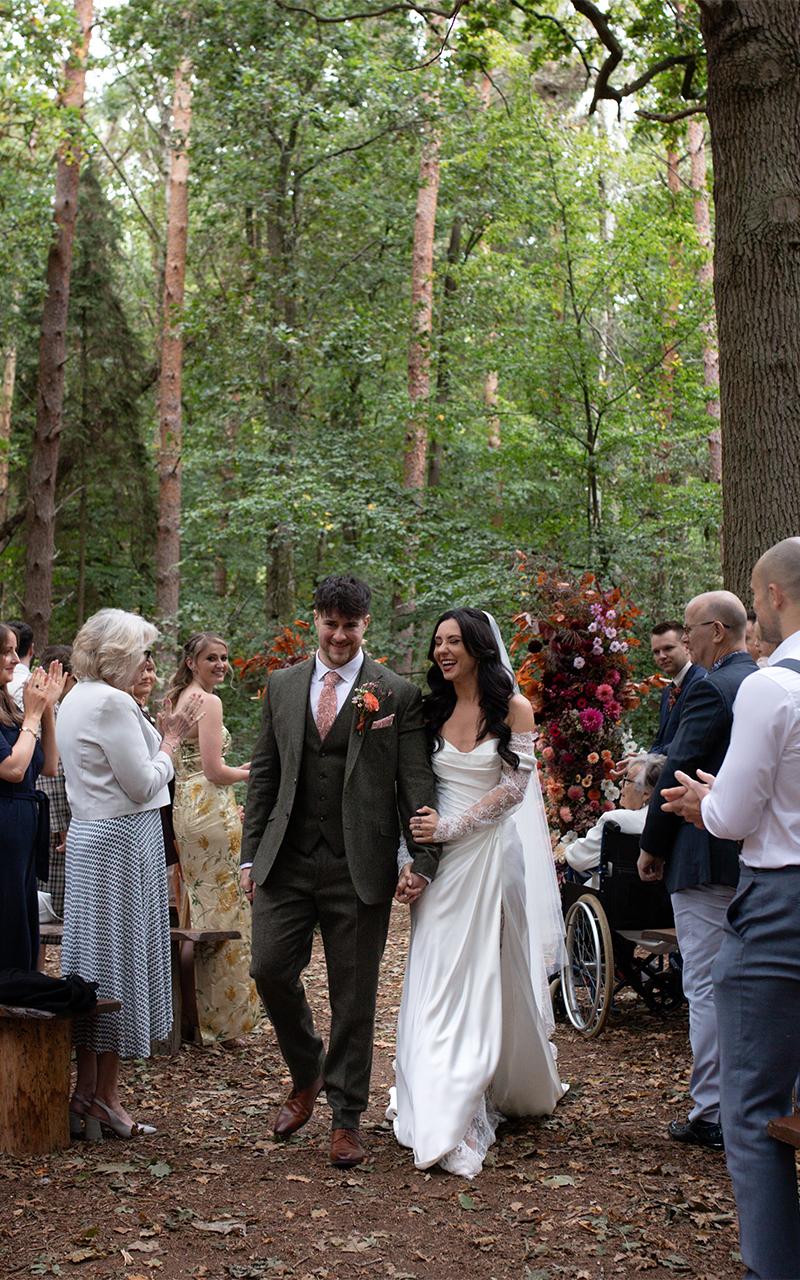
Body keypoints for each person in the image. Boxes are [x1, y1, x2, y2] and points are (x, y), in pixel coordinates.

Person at [240, 574, 439, 1169]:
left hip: (361, 865)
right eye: (330, 623)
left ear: (365, 625)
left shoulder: (394, 693)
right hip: (288, 861)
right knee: (269, 968)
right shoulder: (281, 685)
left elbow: (414, 784)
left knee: (355, 996)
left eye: (351, 625)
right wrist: (252, 854)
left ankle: (347, 1119)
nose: (340, 635)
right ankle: (306, 1071)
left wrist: (420, 856)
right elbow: (265, 776)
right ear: (316, 621)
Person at [661, 538, 800, 1280]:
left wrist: (703, 800)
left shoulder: (771, 688)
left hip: (781, 905)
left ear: (774, 597)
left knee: (753, 1105)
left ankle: (772, 1267)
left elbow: (739, 814)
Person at [389, 608, 566, 1178]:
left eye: (455, 642)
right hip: (441, 867)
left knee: (484, 973)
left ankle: (472, 1094)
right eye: (438, 642)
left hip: (491, 856)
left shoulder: (512, 707)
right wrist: (412, 855)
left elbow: (517, 785)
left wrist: (452, 827)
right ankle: (435, 1088)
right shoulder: (429, 708)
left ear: (479, 649)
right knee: (437, 971)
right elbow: (415, 787)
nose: (443, 651)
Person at [56, 609, 200, 1140]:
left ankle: (89, 1093)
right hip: (122, 839)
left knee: (96, 965)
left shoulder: (77, 696)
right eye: (142, 653)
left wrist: (154, 730)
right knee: (115, 966)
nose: (148, 662)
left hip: (96, 837)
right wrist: (172, 739)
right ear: (118, 655)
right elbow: (142, 784)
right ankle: (105, 1097)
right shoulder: (111, 701)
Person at [639, 591, 756, 1152]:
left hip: (704, 855)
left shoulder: (711, 687)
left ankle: (711, 1109)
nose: (684, 642)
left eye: (689, 631)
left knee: (705, 984)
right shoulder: (755, 680)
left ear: (714, 631)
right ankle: (749, 1102)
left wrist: (651, 844)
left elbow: (678, 771)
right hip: (752, 858)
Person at [165, 632, 261, 1048]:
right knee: (224, 912)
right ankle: (222, 1024)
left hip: (186, 806)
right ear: (192, 661)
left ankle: (194, 1017)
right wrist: (255, 773)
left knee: (198, 910)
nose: (221, 665)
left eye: (224, 658)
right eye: (211, 658)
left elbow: (186, 764)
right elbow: (215, 771)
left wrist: (231, 770)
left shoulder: (177, 699)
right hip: (209, 810)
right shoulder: (208, 702)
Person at [0, 625, 62, 971]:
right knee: (7, 920)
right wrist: (34, 715)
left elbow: (48, 765)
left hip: (23, 826)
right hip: (5, 823)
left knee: (23, 921)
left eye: (14, 650)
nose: (14, 659)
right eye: (6, 651)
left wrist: (47, 709)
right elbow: (12, 768)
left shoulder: (6, 704)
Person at [564, 752, 665, 888]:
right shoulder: (671, 821)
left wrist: (568, 849)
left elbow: (577, 858)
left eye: (628, 779)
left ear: (647, 793)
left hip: (615, 896)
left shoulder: (615, 820)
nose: (622, 784)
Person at [36, 645, 77, 968]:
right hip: (53, 827)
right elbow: (52, 774)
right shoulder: (54, 710)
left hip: (55, 823)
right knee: (48, 913)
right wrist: (63, 823)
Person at [649, 622, 703, 753]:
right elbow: (660, 741)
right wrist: (642, 760)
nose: (662, 656)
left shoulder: (700, 683)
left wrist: (650, 760)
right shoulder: (668, 692)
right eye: (656, 652)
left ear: (686, 647)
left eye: (668, 648)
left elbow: (689, 742)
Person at [7, 619, 34, 709]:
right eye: (7, 651)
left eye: (15, 649)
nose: (17, 660)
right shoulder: (34, 684)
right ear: (31, 649)